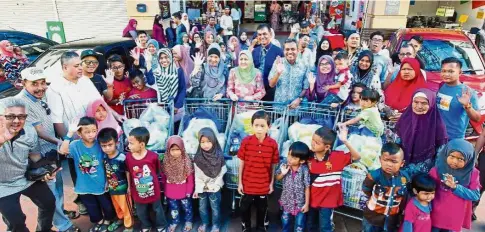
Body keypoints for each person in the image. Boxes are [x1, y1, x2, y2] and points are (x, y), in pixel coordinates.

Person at [15, 67, 80, 231]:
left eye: (43, 83)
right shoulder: (23, 102)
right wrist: (63, 141)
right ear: (24, 83)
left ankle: (59, 214)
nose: (40, 87)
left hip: (50, 152)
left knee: (57, 187)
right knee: (50, 192)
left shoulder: (39, 98)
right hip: (39, 156)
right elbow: (39, 132)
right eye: (34, 84)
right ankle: (63, 225)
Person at [0, 97, 56, 232]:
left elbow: (35, 156)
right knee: (16, 223)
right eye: (10, 116)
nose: (16, 121)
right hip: (2, 186)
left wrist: (44, 171)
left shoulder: (30, 131)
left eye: (21, 116)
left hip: (25, 177)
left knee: (48, 203)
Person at [60, 117, 116, 232]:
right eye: (87, 132)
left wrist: (108, 180)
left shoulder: (100, 144)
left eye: (94, 131)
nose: (91, 134)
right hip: (83, 185)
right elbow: (62, 151)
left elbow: (108, 162)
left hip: (101, 184)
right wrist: (69, 134)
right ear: (79, 133)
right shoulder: (75, 145)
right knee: (91, 206)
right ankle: (99, 221)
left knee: (106, 205)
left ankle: (107, 220)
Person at [307, 125, 361, 232]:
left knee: (325, 227)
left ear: (327, 147)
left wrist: (345, 141)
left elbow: (356, 157)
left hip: (328, 201)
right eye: (313, 140)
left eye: (317, 142)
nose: (313, 143)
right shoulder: (308, 156)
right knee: (310, 225)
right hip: (312, 199)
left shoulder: (337, 157)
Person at [237, 110, 279, 232]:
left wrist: (271, 183)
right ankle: (246, 226)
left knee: (262, 208)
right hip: (248, 183)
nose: (259, 129)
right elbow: (242, 163)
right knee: (245, 207)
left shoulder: (272, 144)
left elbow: (273, 165)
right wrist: (240, 182)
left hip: (263, 184)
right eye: (256, 125)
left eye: (262, 126)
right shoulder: (246, 142)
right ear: (252, 126)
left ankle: (262, 227)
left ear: (268, 127)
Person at [429, 139, 480, 231]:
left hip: (454, 216)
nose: (455, 161)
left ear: (469, 159)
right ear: (446, 153)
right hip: (435, 213)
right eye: (452, 156)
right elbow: (428, 189)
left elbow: (475, 195)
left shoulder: (472, 173)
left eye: (461, 159)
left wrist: (456, 187)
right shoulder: (437, 169)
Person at [396, 89, 448, 175]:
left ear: (431, 104)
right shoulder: (405, 119)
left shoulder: (438, 125)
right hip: (402, 164)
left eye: (424, 103)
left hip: (424, 170)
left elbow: (440, 154)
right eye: (416, 102)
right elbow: (397, 142)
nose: (419, 106)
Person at [125, 127, 167, 232]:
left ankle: (161, 224)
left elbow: (157, 171)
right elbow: (129, 172)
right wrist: (129, 186)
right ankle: (146, 225)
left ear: (142, 144)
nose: (128, 146)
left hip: (153, 190)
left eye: (131, 143)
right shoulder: (128, 158)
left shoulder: (153, 156)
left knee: (158, 209)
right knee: (140, 211)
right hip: (138, 191)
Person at [361, 143, 411, 232]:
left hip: (392, 219)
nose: (389, 164)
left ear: (402, 163)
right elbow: (366, 189)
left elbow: (404, 196)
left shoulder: (404, 178)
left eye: (394, 161)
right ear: (380, 159)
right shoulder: (374, 176)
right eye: (386, 160)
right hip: (373, 218)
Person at [97, 128, 133, 232]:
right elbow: (106, 170)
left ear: (116, 143)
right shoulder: (104, 157)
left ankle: (129, 226)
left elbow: (127, 172)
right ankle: (120, 219)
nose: (107, 148)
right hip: (112, 188)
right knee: (117, 206)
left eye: (110, 145)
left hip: (123, 188)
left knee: (126, 207)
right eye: (103, 146)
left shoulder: (122, 157)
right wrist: (106, 183)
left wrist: (129, 187)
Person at [437, 57, 480, 140]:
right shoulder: (442, 86)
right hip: (437, 135)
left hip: (454, 138)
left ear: (460, 72)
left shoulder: (468, 92)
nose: (446, 74)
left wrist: (467, 106)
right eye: (443, 71)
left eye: (451, 71)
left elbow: (477, 118)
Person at [193, 128, 226, 232]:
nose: (205, 145)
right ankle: (204, 223)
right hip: (202, 188)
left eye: (208, 141)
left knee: (215, 208)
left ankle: (216, 225)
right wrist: (198, 188)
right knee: (202, 208)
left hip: (215, 188)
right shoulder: (198, 157)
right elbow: (197, 175)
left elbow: (222, 172)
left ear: (213, 141)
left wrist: (216, 185)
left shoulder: (219, 155)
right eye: (202, 142)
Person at [162, 136, 194, 232]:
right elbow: (164, 178)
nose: (175, 152)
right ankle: (175, 221)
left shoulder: (186, 161)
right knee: (173, 209)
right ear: (168, 150)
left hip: (184, 191)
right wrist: (165, 191)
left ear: (182, 149)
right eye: (172, 150)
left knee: (187, 208)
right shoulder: (166, 161)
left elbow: (190, 179)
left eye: (178, 149)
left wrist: (189, 191)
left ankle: (189, 221)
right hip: (171, 192)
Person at [276, 141, 310, 232]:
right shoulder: (284, 165)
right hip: (287, 201)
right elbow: (277, 178)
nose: (289, 159)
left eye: (294, 158)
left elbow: (307, 187)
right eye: (289, 155)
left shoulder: (304, 170)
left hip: (300, 203)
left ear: (302, 161)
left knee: (299, 225)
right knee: (285, 222)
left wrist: (306, 204)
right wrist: (283, 173)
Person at [268, 39, 310, 110]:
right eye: (287, 49)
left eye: (293, 49)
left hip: (297, 108)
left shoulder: (304, 65)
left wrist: (299, 99)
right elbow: (271, 84)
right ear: (283, 51)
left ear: (298, 50)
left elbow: (306, 87)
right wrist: (278, 73)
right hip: (279, 108)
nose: (290, 52)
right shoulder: (278, 62)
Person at [145, 48, 186, 116]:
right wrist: (148, 62)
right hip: (161, 107)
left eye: (166, 57)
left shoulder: (178, 71)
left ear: (170, 57)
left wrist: (177, 105)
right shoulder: (156, 71)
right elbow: (150, 82)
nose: (164, 60)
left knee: (175, 125)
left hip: (175, 107)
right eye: (161, 58)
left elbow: (182, 89)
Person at [252, 24, 284, 101]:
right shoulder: (255, 51)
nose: (262, 37)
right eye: (259, 34)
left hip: (272, 90)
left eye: (264, 34)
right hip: (256, 90)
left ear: (270, 34)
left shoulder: (278, 51)